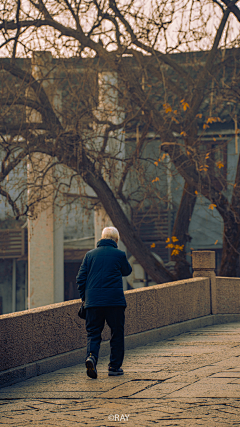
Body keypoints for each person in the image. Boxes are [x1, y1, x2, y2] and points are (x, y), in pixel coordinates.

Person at [76, 226, 132, 379]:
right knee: (117, 333)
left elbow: (80, 279)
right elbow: (127, 271)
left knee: (93, 334)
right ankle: (114, 367)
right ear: (116, 240)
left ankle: (92, 357)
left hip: (93, 303)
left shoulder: (89, 255)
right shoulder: (119, 254)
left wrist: (85, 298)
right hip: (114, 302)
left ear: (101, 238)